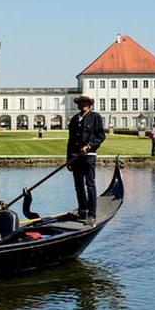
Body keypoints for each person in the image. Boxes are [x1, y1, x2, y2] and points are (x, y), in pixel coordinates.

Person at [67, 95, 105, 225]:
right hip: (75, 157)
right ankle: (82, 210)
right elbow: (71, 140)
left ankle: (91, 214)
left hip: (89, 157)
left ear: (89, 104)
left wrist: (89, 146)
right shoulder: (74, 119)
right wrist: (69, 159)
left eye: (86, 103)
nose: (84, 104)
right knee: (78, 186)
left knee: (90, 185)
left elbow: (100, 136)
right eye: (81, 103)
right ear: (78, 105)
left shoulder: (95, 117)